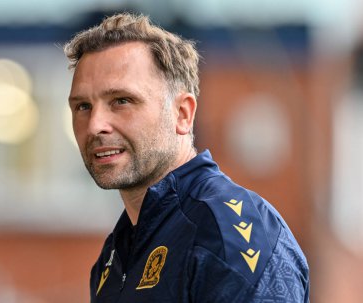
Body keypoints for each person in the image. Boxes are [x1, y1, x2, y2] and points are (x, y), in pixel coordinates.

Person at [64, 12, 310, 303]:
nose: (95, 125)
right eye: (82, 106)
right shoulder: (115, 254)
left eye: (121, 101)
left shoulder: (228, 234)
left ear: (182, 114)